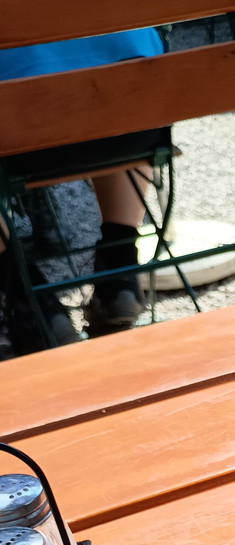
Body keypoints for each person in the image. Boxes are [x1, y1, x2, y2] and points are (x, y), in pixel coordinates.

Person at [0, 29, 163, 354]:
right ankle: (119, 271)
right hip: (137, 120)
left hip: (20, 132)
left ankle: (27, 296)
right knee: (114, 83)